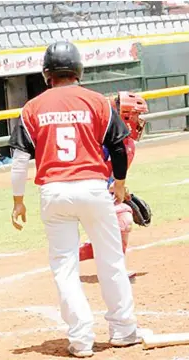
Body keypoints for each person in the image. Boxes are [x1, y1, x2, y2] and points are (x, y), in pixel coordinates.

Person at [8, 41, 151, 357]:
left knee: (65, 267)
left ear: (47, 74)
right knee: (111, 261)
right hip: (93, 188)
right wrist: (121, 185)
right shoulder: (97, 101)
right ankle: (124, 331)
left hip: (54, 192)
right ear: (78, 70)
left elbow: (19, 160)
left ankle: (81, 339)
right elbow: (117, 145)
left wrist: (18, 200)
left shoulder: (32, 108)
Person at [79, 92, 149, 270]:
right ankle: (114, 268)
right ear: (124, 115)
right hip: (83, 190)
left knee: (118, 213)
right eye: (135, 114)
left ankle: (79, 253)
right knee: (123, 217)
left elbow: (111, 178)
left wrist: (123, 192)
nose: (139, 120)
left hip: (89, 191)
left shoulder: (124, 142)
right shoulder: (105, 138)